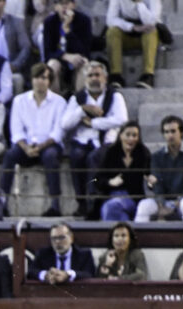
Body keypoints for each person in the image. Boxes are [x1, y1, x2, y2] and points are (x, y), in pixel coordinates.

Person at [61, 61, 128, 219]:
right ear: (85, 80)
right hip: (82, 141)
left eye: (97, 75)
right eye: (90, 76)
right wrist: (82, 110)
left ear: (105, 77)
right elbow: (64, 124)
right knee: (76, 156)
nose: (94, 79)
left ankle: (94, 202)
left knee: (94, 159)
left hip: (106, 142)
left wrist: (94, 123)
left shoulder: (115, 96)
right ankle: (82, 202)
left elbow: (121, 120)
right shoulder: (78, 98)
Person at [0, 63, 67, 217]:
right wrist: (26, 148)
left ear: (49, 81)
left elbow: (58, 133)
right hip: (26, 146)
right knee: (10, 155)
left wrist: (41, 146)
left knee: (50, 156)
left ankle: (55, 205)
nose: (40, 81)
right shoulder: (19, 100)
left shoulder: (59, 102)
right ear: (32, 79)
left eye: (44, 78)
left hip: (49, 145)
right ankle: (2, 202)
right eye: (37, 77)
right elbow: (16, 131)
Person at [134, 115, 183, 224]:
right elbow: (157, 184)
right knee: (144, 205)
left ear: (181, 133)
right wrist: (161, 204)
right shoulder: (157, 157)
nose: (170, 135)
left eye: (173, 131)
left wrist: (178, 202)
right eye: (166, 132)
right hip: (165, 202)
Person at [95, 121, 150, 222]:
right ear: (120, 136)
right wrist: (109, 182)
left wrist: (150, 182)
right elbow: (96, 180)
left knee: (111, 207)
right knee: (113, 209)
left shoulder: (143, 153)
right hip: (111, 196)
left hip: (134, 199)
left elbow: (150, 177)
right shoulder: (111, 152)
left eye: (134, 135)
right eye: (128, 135)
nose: (131, 139)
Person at [106, 0, 161, 89]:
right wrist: (132, 27)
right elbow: (110, 20)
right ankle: (115, 75)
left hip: (147, 37)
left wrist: (139, 4)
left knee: (151, 31)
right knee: (112, 32)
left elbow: (151, 21)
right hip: (127, 34)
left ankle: (148, 75)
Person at [43, 0, 92, 95]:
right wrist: (65, 56)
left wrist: (67, 31)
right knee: (52, 65)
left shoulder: (84, 21)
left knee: (85, 64)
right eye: (61, 4)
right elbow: (48, 53)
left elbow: (85, 51)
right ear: (55, 7)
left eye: (67, 3)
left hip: (77, 62)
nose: (64, 7)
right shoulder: (49, 22)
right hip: (60, 63)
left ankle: (80, 103)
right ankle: (55, 103)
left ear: (74, 5)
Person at [27, 221, 95, 284]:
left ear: (71, 238)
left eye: (61, 237)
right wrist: (45, 275)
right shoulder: (43, 254)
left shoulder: (84, 254)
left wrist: (68, 274)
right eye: (54, 238)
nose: (57, 242)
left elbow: (89, 273)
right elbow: (31, 271)